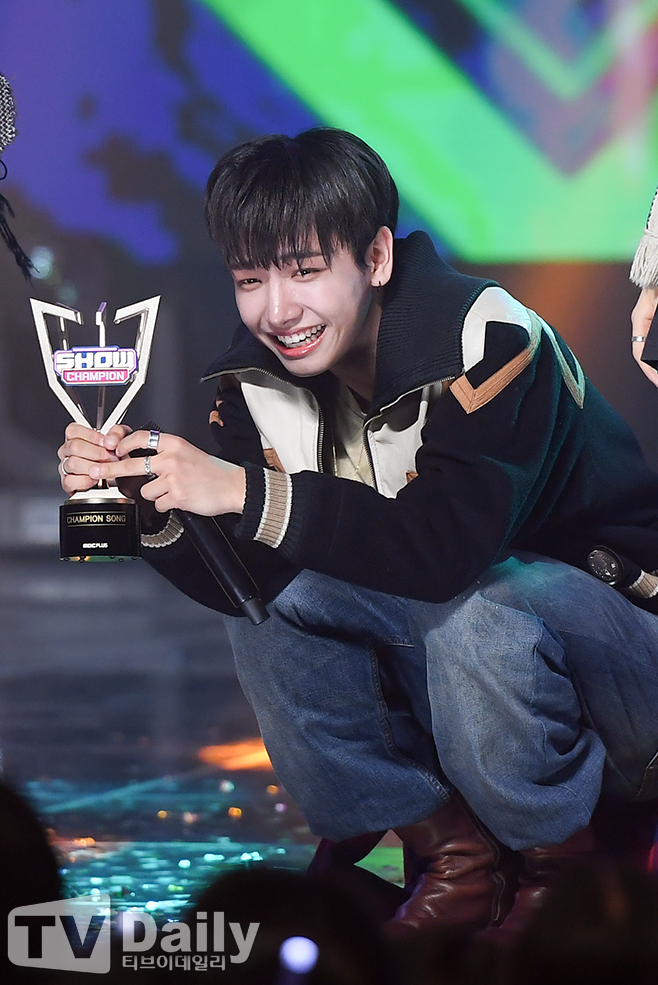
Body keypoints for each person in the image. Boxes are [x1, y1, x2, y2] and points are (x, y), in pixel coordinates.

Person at [58, 128, 658, 936]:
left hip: (627, 668)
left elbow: (443, 550)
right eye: (251, 279)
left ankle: (558, 871)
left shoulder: (487, 336)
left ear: (376, 257)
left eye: (305, 271)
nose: (278, 310)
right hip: (475, 680)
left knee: (483, 604)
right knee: (276, 612)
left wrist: (240, 488)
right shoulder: (255, 383)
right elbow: (253, 582)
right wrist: (148, 509)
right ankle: (455, 854)